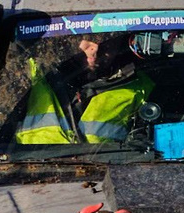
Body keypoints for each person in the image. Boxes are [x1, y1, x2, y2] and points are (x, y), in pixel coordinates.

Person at [15, 32, 155, 148]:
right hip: (26, 167)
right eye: (89, 37)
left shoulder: (142, 86)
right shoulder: (33, 72)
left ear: (120, 42)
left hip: (108, 169)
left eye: (107, 40)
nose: (96, 48)